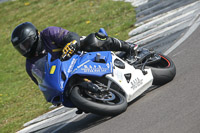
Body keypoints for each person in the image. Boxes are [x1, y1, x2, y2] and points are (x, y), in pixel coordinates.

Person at [11, 22, 136, 85]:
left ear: (34, 37)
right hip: (67, 74)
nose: (24, 49)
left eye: (26, 44)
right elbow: (43, 84)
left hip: (79, 53)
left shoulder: (49, 33)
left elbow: (71, 36)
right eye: (20, 48)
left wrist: (71, 44)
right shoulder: (30, 65)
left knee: (92, 40)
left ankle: (129, 47)